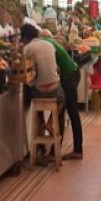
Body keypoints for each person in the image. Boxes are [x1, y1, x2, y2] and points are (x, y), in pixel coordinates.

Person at [39, 29, 85, 160]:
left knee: (68, 111)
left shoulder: (43, 44)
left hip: (69, 76)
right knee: (68, 111)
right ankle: (58, 150)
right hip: (73, 73)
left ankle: (71, 150)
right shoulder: (50, 42)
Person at [21, 22, 64, 160]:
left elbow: (26, 69)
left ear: (25, 38)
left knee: (35, 101)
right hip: (54, 87)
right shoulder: (49, 45)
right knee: (63, 100)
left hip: (39, 91)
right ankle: (50, 123)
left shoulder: (27, 48)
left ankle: (43, 125)